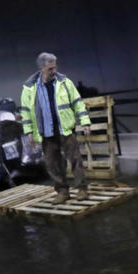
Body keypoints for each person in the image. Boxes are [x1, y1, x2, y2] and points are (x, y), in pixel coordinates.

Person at [20, 52, 92, 204]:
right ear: (41, 69)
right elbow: (26, 111)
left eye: (55, 67)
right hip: (45, 131)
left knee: (75, 160)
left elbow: (78, 102)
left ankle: (82, 189)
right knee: (52, 163)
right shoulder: (29, 88)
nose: (54, 71)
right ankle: (62, 191)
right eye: (50, 69)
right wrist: (29, 132)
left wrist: (85, 121)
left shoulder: (64, 82)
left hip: (65, 128)